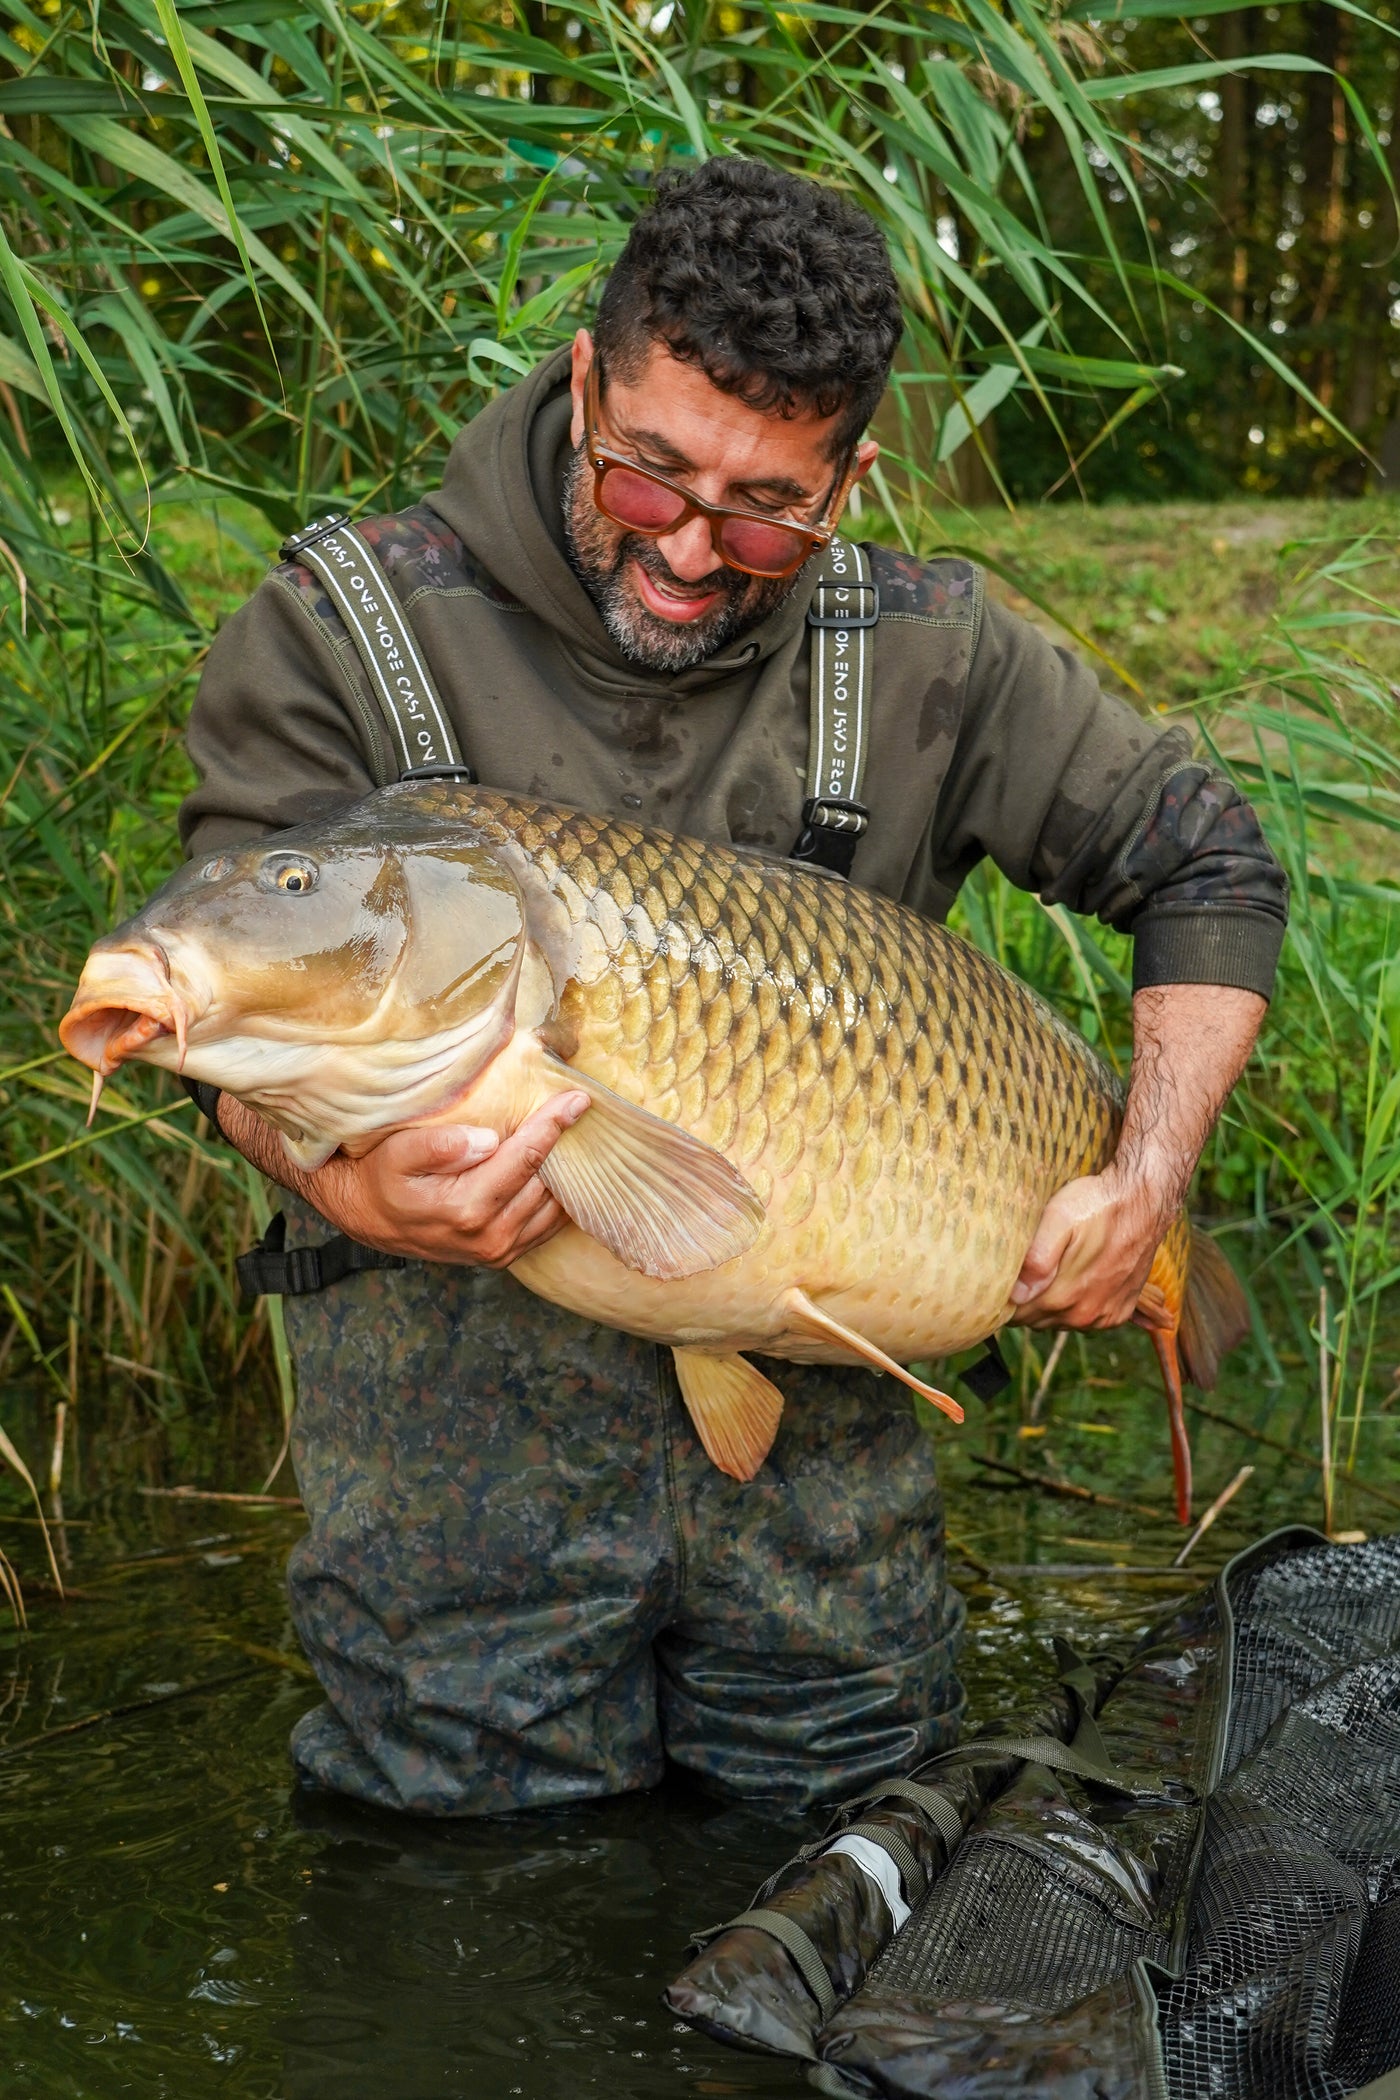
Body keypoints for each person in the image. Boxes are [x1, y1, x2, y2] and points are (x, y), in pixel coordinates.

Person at [179, 158, 1287, 1817]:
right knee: (458, 1953)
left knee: (833, 1894)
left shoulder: (930, 651)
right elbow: (225, 1012)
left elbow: (1211, 865)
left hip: (831, 1568)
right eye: (650, 482)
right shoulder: (340, 634)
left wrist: (1146, 1181)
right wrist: (337, 1177)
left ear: (849, 475)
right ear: (584, 384)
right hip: (457, 1564)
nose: (694, 550)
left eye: (769, 507)